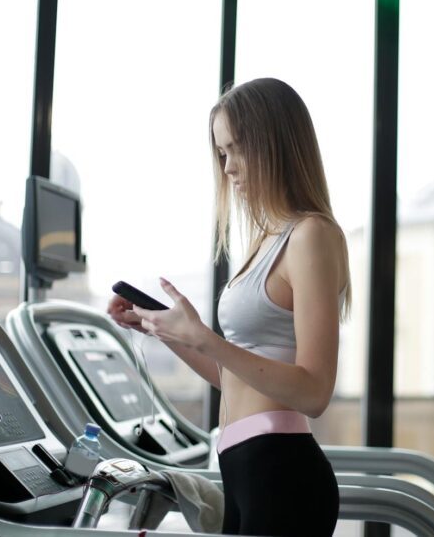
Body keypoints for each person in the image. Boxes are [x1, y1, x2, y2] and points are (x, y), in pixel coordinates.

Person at [107, 77, 350, 536]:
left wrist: (205, 337)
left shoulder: (311, 235)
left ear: (276, 144)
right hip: (243, 467)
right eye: (221, 153)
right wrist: (162, 329)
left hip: (281, 472)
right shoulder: (264, 240)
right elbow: (233, 376)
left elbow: (314, 392)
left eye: (238, 149)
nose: (229, 167)